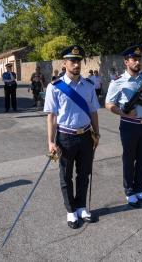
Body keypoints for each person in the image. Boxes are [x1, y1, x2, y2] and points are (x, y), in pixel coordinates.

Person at [44, 45, 100, 229]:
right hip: (65, 137)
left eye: (78, 61)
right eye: (72, 61)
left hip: (85, 136)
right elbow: (52, 117)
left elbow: (93, 112)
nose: (76, 64)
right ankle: (71, 210)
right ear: (65, 63)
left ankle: (82, 206)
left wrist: (96, 133)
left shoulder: (89, 85)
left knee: (84, 174)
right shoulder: (55, 87)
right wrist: (51, 142)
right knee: (66, 176)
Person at [105, 45, 142, 208]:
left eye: (139, 59)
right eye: (134, 59)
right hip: (129, 125)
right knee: (129, 159)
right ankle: (129, 191)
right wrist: (123, 113)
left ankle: (139, 189)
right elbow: (108, 104)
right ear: (126, 62)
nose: (137, 62)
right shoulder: (118, 81)